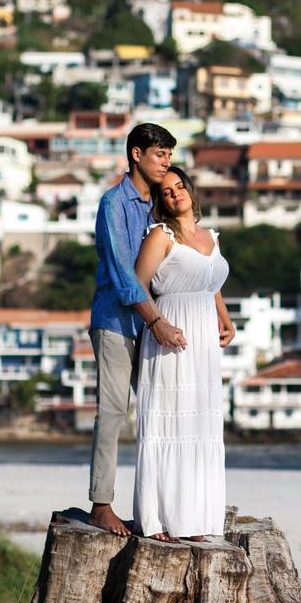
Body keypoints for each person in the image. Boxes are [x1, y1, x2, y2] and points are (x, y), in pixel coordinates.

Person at [87, 123, 183, 536]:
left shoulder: (158, 207)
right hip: (115, 323)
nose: (167, 162)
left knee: (161, 414)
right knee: (112, 414)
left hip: (149, 326)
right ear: (136, 155)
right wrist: (157, 321)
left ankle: (162, 511)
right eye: (160, 154)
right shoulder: (112, 203)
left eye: (169, 155)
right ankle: (101, 506)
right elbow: (124, 276)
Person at [131, 166, 235, 541]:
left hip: (205, 341)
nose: (174, 193)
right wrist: (158, 324)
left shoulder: (211, 236)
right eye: (166, 190)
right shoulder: (160, 236)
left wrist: (225, 319)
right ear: (160, 201)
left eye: (179, 186)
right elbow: (136, 284)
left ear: (190, 190)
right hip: (170, 334)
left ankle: (195, 520)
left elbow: (210, 283)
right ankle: (159, 519)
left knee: (199, 425)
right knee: (169, 421)